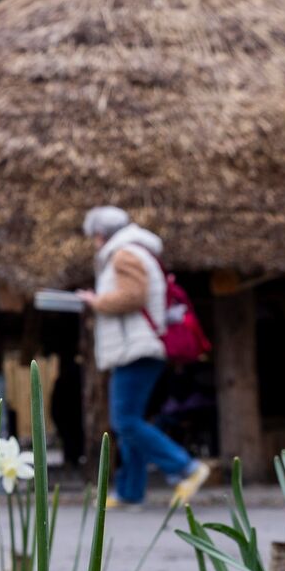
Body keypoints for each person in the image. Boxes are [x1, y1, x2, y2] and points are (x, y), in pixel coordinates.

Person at [74, 207, 210, 508]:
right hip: (135, 347)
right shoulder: (134, 251)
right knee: (130, 421)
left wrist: (95, 301)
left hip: (137, 348)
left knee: (125, 420)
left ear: (99, 234)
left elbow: (133, 295)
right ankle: (130, 492)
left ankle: (186, 468)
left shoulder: (124, 254)